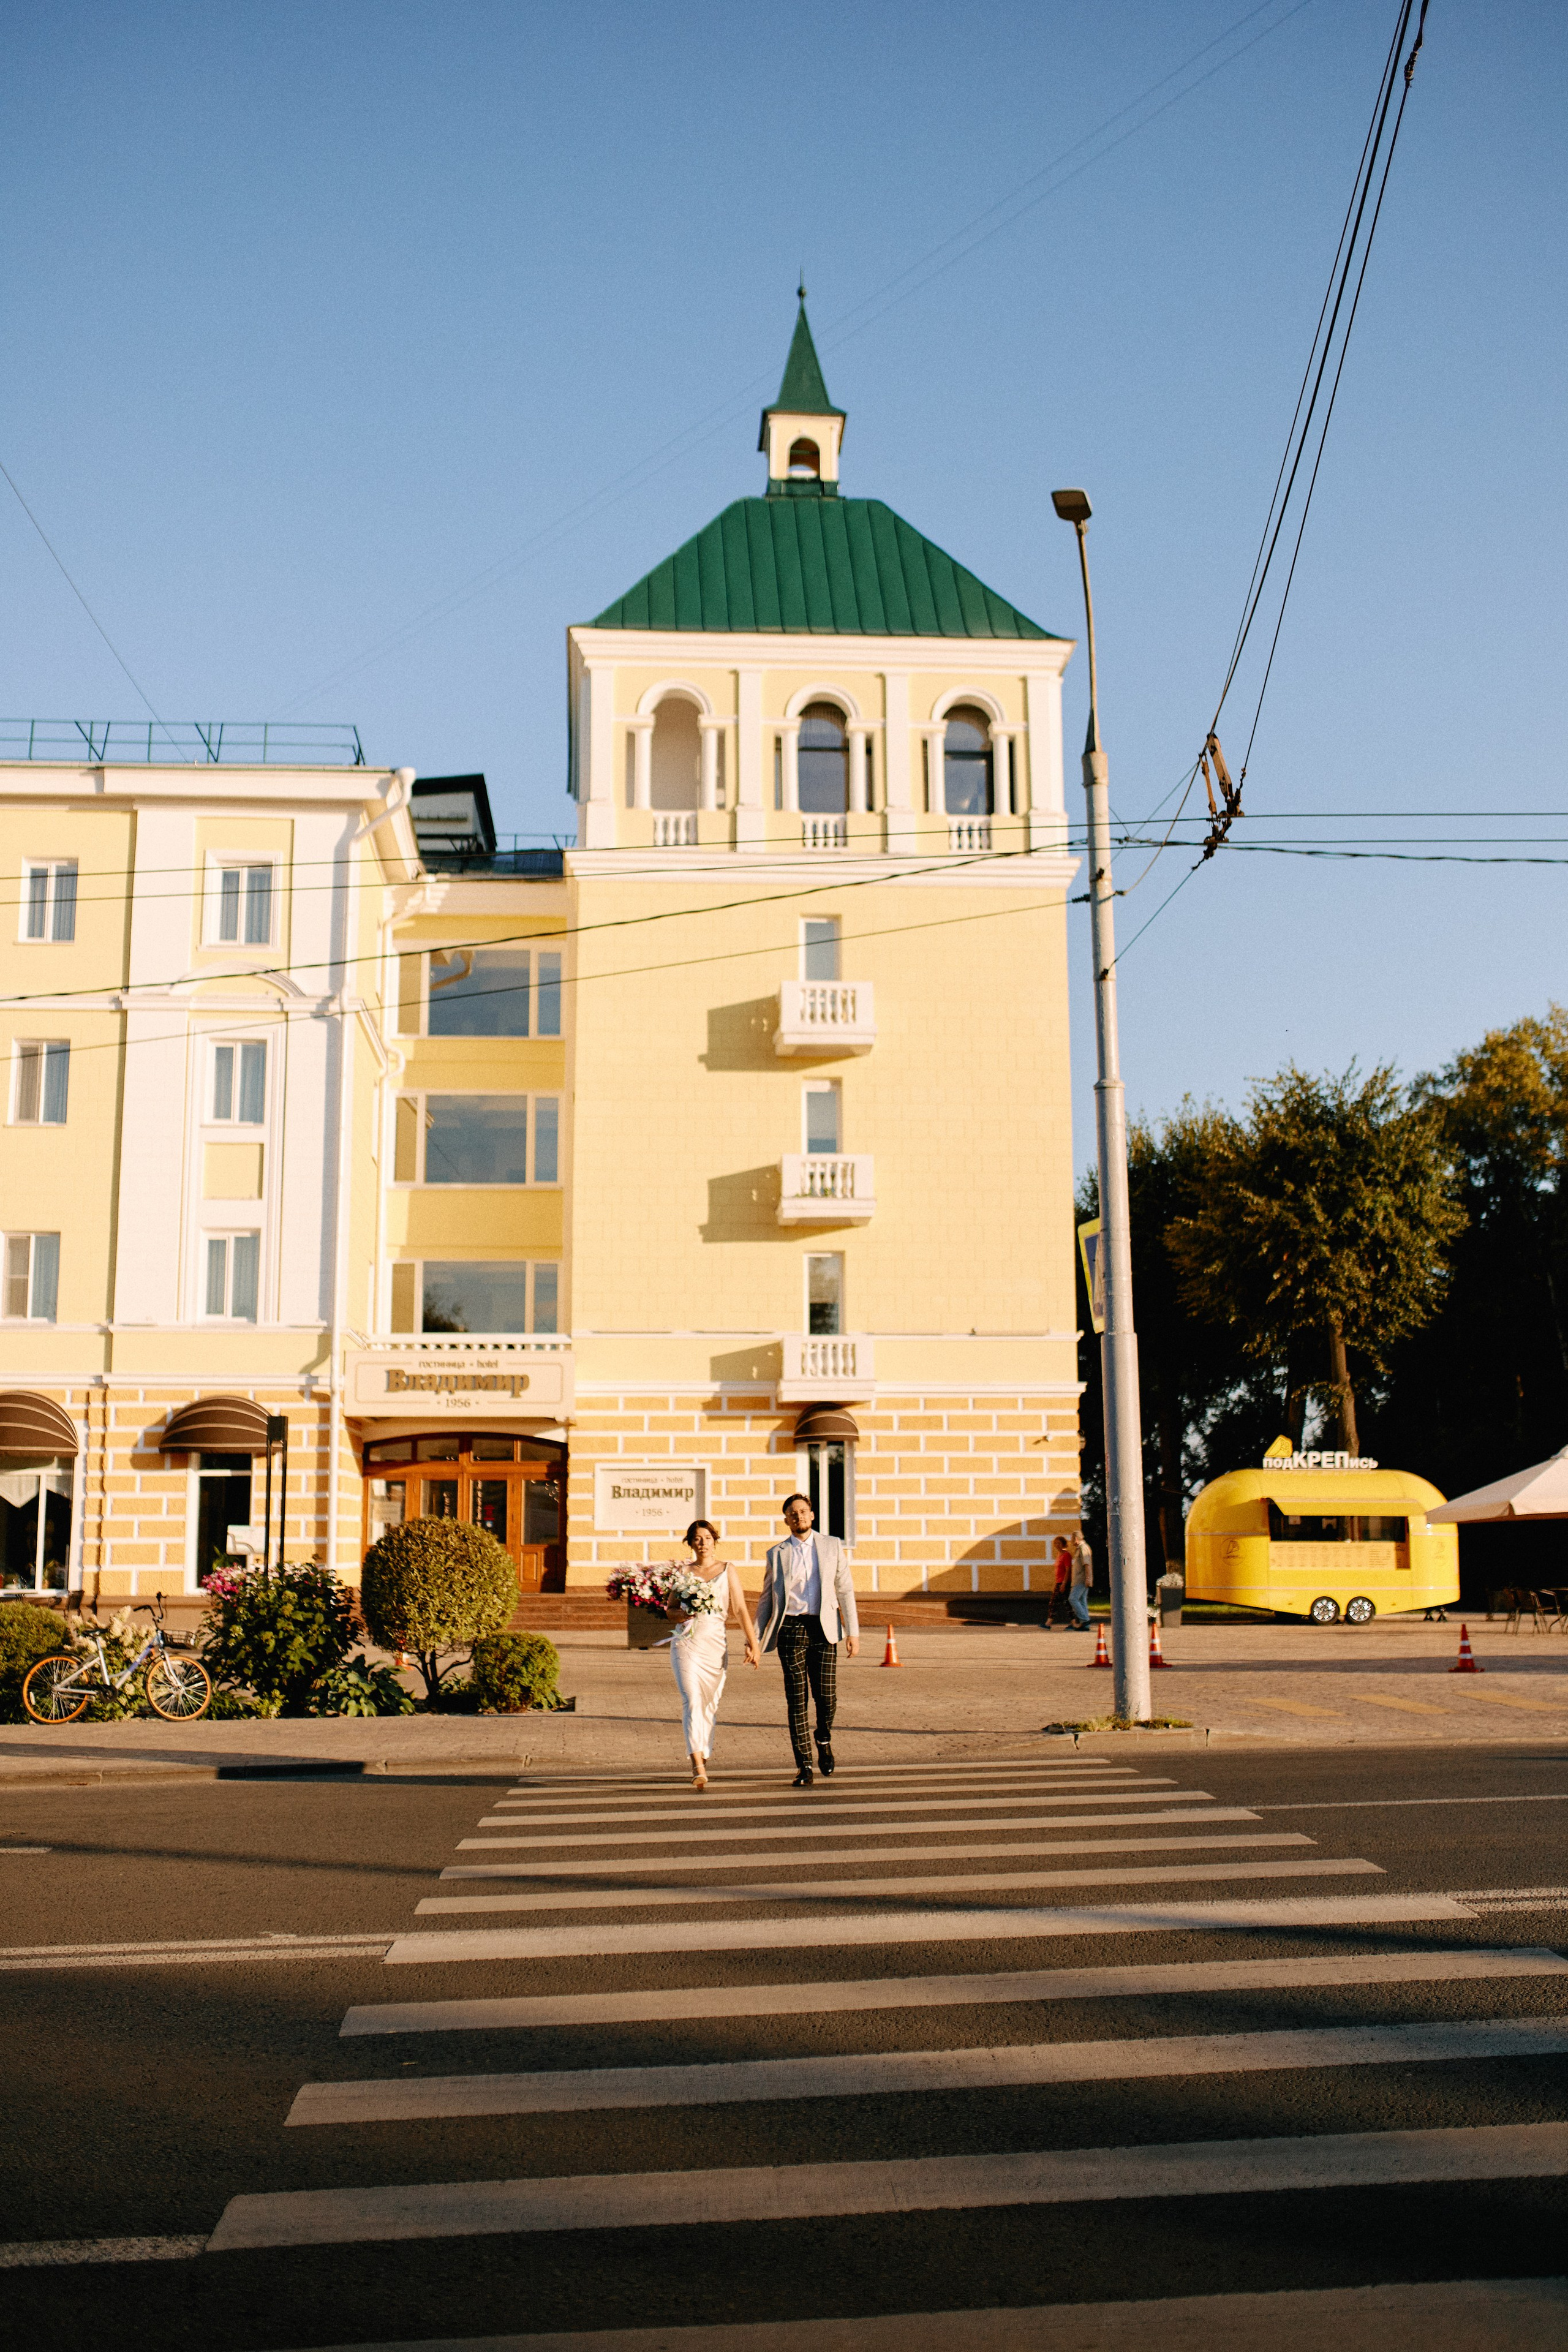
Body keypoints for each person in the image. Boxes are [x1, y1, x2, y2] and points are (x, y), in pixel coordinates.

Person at [753, 1492, 859, 1787]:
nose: (798, 1517)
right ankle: (804, 1765)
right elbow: (767, 1598)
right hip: (791, 1629)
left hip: (824, 1628)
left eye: (803, 1511)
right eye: (792, 1513)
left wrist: (853, 1632)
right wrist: (755, 1637)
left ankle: (823, 1738)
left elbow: (845, 1590)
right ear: (786, 1520)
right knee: (796, 1700)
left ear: (812, 1515)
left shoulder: (831, 1546)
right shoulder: (777, 1553)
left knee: (827, 1697)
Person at [659, 1518, 759, 1791]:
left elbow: (738, 1609)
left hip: (716, 1644)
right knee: (691, 1699)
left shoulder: (728, 1570)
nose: (702, 1543)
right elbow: (670, 1610)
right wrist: (682, 1614)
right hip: (686, 1642)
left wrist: (753, 1643)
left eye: (707, 1538)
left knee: (709, 1704)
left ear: (715, 1541)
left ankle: (703, 1750)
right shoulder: (683, 1572)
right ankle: (697, 1764)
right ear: (690, 1543)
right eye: (697, 1539)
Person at [1068, 1528, 1094, 1630]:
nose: (1071, 1541)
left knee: (1073, 1599)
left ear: (1076, 1539)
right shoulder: (1080, 1548)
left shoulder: (1083, 1548)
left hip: (1081, 1579)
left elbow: (1087, 1564)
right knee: (1082, 1601)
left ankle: (1085, 1619)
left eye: (1072, 1539)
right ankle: (1086, 1625)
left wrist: (1088, 1579)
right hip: (1080, 1579)